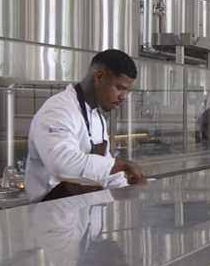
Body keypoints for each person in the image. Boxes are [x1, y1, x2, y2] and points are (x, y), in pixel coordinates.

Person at [26, 49, 146, 201]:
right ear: (99, 76)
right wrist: (124, 165)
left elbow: (108, 173)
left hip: (86, 212)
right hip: (54, 215)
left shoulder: (98, 118)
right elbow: (61, 164)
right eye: (120, 88)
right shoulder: (58, 109)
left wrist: (128, 192)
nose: (123, 97)